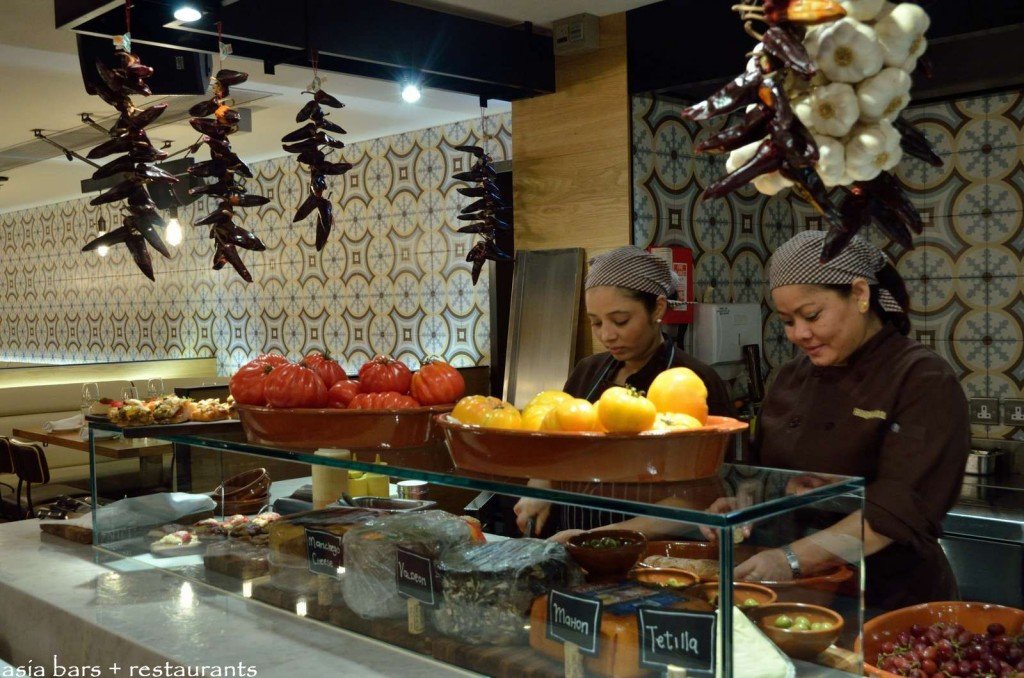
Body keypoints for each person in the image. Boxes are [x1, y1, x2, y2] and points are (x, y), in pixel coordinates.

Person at [725, 230, 969, 611]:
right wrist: (738, 505)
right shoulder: (791, 377)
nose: (799, 334)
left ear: (859, 294)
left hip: (886, 601)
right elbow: (768, 477)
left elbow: (895, 510)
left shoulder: (922, 378)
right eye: (787, 321)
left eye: (812, 315)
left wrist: (791, 558)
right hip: (796, 597)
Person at [513, 246, 736, 538]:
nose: (607, 335)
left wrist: (604, 538)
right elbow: (560, 448)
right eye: (596, 322)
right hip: (573, 541)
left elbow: (704, 495)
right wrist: (541, 485)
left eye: (620, 321)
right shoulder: (587, 372)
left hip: (653, 553)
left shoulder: (694, 380)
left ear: (657, 308)